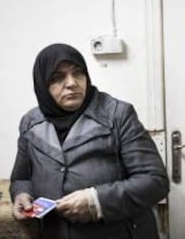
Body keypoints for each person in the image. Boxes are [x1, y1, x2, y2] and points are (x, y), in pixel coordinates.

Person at [9, 43, 169, 238]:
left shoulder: (118, 115)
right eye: (58, 77)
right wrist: (21, 195)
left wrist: (97, 201)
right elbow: (21, 177)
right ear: (42, 84)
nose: (72, 83)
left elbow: (155, 181)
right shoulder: (30, 123)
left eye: (78, 73)